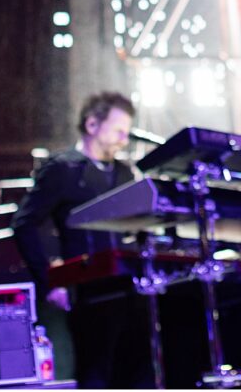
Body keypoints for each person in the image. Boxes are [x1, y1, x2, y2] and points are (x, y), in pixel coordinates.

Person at [12, 91, 155, 388]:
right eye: (119, 130)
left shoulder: (125, 172)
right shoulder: (63, 168)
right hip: (89, 291)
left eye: (127, 132)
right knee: (95, 372)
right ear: (92, 125)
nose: (124, 139)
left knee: (138, 373)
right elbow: (24, 223)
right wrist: (50, 278)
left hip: (131, 289)